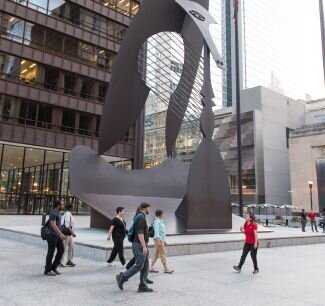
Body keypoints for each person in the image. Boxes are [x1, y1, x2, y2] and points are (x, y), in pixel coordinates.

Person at [116, 203, 153, 293]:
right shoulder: (141, 217)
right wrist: (144, 247)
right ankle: (122, 277)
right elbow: (140, 233)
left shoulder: (140, 216)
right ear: (145, 208)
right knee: (139, 265)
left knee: (146, 265)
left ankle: (143, 285)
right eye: (149, 208)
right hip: (139, 245)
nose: (149, 210)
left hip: (140, 244)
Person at [44, 200, 66, 276]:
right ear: (58, 205)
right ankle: (47, 270)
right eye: (62, 204)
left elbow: (58, 224)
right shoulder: (53, 212)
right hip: (51, 235)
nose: (63, 206)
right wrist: (60, 234)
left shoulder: (58, 213)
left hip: (57, 235)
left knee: (61, 250)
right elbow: (53, 224)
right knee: (51, 252)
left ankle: (54, 267)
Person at [150, 210, 174, 274]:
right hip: (158, 240)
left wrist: (164, 241)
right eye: (163, 214)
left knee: (156, 254)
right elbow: (157, 232)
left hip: (161, 240)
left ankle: (151, 267)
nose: (163, 215)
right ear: (160, 214)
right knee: (163, 254)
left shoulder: (160, 221)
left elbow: (162, 233)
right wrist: (159, 241)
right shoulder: (157, 221)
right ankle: (166, 269)